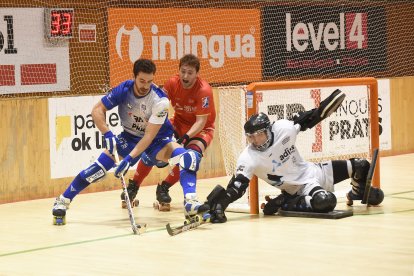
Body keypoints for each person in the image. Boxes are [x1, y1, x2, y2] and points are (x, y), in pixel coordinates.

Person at [52, 59, 209, 225]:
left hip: (157, 140)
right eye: (141, 81)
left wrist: (128, 160)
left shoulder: (160, 100)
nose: (145, 86)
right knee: (97, 169)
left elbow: (148, 136)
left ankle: (191, 202)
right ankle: (62, 201)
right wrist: (107, 134)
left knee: (188, 158)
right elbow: (97, 110)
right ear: (134, 77)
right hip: (129, 138)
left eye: (149, 81)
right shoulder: (124, 89)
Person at [206, 89, 384, 223]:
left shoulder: (283, 128)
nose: (254, 140)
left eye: (258, 134)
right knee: (326, 202)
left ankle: (356, 193)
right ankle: (285, 201)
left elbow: (311, 118)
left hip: (315, 171)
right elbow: (237, 186)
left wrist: (326, 108)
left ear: (268, 130)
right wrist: (221, 204)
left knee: (362, 165)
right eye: (250, 136)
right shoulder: (249, 157)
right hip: (300, 189)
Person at [124, 54, 216, 211]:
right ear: (178, 70)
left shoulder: (204, 90)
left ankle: (164, 187)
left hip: (201, 130)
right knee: (152, 148)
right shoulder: (172, 83)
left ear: (197, 74)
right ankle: (134, 186)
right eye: (183, 71)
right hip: (178, 123)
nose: (185, 76)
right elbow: (159, 105)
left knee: (192, 158)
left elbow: (201, 122)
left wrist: (185, 138)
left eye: (190, 73)